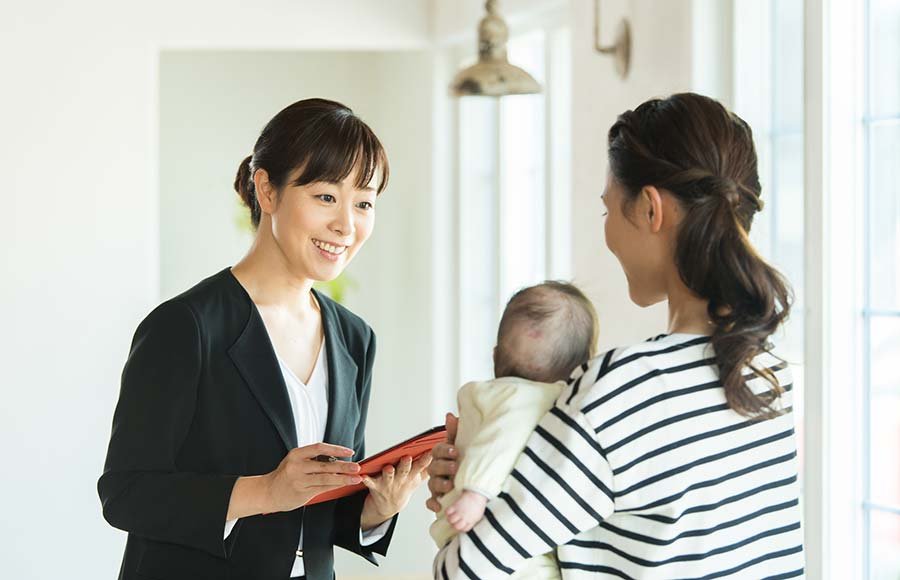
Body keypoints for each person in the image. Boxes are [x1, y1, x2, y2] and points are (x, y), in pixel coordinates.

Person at [427, 93, 804, 578]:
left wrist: (470, 496)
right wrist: (491, 479)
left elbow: (464, 570)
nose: (606, 232)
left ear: (650, 209)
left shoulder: (620, 388)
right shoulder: (766, 371)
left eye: (607, 210)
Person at [98, 98, 430, 580]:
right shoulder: (185, 326)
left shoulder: (355, 339)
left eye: (364, 202)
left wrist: (377, 509)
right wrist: (266, 492)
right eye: (325, 197)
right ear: (267, 190)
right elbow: (126, 494)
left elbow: (317, 511)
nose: (347, 225)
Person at [429, 281, 599, 580]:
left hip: (479, 540)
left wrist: (472, 493)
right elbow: (498, 443)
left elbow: (494, 443)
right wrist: (468, 492)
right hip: (494, 535)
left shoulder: (505, 397)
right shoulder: (544, 400)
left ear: (495, 357)